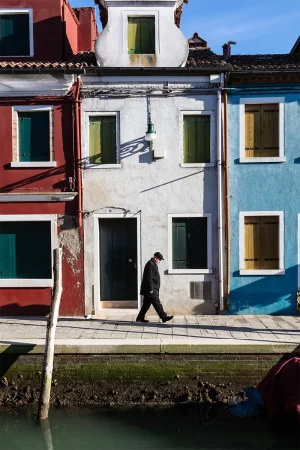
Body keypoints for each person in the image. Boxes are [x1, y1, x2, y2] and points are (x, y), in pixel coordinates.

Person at [136, 252, 173, 323]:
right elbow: (149, 277)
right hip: (151, 289)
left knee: (146, 305)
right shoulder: (150, 264)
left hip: (151, 289)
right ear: (156, 258)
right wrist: (151, 289)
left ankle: (140, 318)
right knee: (157, 303)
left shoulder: (152, 264)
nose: (160, 261)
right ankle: (164, 317)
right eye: (159, 259)